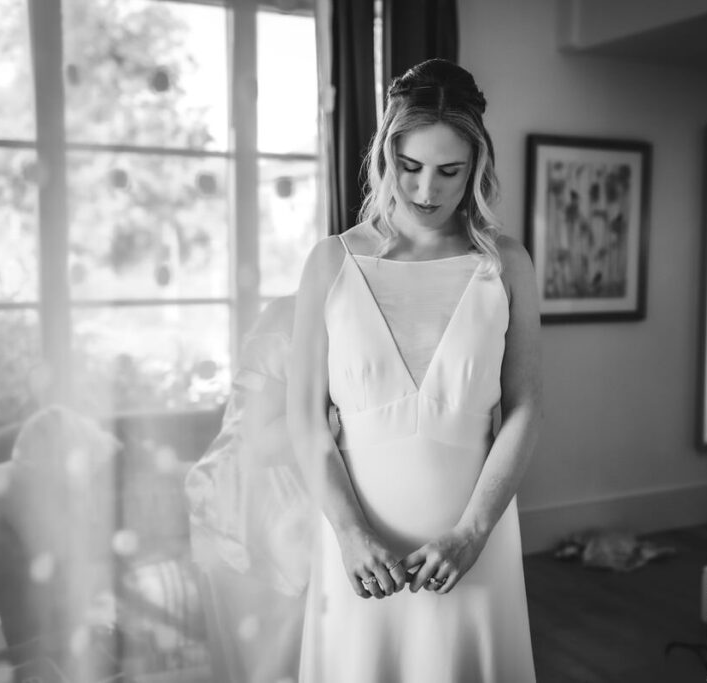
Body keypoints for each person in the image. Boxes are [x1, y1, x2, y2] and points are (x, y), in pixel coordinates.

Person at [287, 59, 542, 683]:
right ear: (385, 158)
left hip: (472, 541)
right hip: (359, 548)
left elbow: (525, 407)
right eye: (411, 167)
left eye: (449, 171)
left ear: (477, 167)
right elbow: (305, 420)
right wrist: (350, 533)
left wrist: (474, 530)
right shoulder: (331, 262)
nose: (427, 191)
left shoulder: (506, 264)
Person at [185, 295, 311, 683]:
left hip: (285, 513)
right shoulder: (287, 320)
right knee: (264, 667)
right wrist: (347, 418)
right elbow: (260, 442)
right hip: (244, 514)